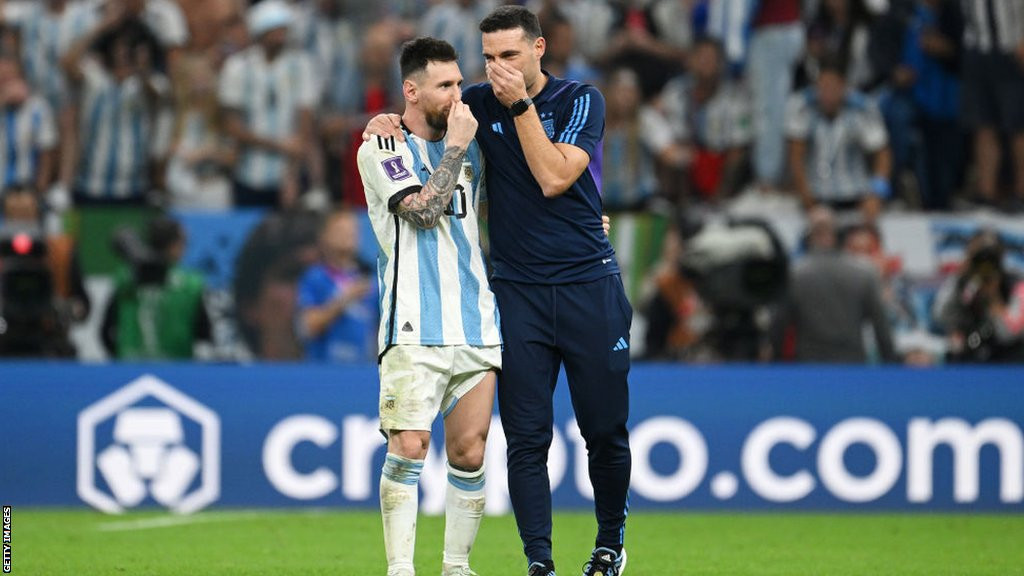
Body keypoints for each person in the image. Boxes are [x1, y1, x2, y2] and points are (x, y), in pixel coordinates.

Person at [364, 7, 632, 576]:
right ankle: (539, 562)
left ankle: (610, 545)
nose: (495, 69)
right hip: (516, 294)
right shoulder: (475, 108)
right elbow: (428, 115)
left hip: (588, 283)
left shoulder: (582, 100)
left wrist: (520, 107)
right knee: (525, 440)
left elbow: (555, 179)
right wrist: (383, 119)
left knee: (603, 430)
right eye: (488, 58)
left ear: (538, 49)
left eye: (509, 55)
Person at [356, 37, 501, 576]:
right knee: (411, 446)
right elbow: (420, 211)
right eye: (445, 86)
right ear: (412, 92)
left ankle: (456, 567)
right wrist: (458, 147)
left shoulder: (475, 145)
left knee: (469, 451)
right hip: (413, 323)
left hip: (476, 321)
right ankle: (400, 569)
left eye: (460, 83)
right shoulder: (383, 149)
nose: (457, 95)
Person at [772, 205, 896, 363]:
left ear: (808, 237)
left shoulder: (794, 275)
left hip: (808, 369)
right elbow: (882, 331)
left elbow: (778, 328)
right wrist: (892, 371)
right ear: (838, 235)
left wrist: (777, 366)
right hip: (852, 366)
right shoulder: (864, 273)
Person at [101, 215, 212, 359]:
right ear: (174, 246)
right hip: (178, 372)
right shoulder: (190, 285)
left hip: (129, 369)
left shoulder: (126, 279)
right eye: (184, 242)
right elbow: (204, 334)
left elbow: (106, 331)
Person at [295, 209, 377, 363]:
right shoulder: (315, 277)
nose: (349, 235)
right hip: (324, 372)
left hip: (363, 371)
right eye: (340, 230)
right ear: (324, 237)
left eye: (352, 230)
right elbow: (307, 327)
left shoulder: (371, 280)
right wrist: (344, 299)